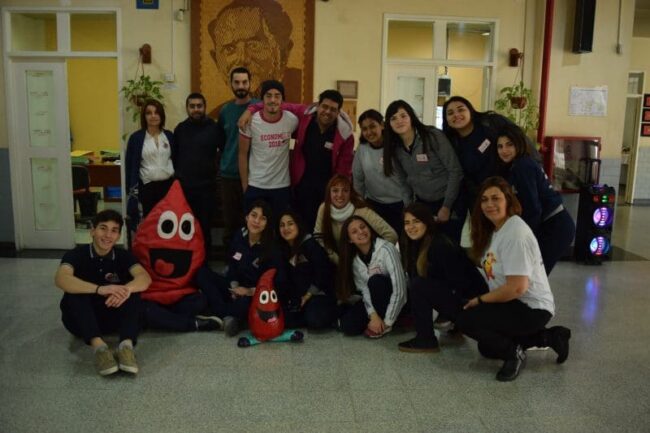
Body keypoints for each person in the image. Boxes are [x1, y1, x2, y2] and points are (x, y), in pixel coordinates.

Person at [455, 177, 571, 382]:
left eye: (496, 198)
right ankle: (549, 337)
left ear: (508, 200)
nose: (489, 204)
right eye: (484, 200)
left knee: (466, 320)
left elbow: (517, 288)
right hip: (513, 302)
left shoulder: (515, 234)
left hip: (531, 308)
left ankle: (513, 354)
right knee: (487, 347)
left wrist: (480, 300)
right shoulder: (498, 229)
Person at [55, 210, 151, 376]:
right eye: (103, 228)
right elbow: (61, 279)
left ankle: (126, 347)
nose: (108, 235)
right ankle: (100, 348)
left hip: (113, 320)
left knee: (133, 291)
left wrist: (125, 290)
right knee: (75, 292)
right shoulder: (75, 255)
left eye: (114, 230)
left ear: (118, 236)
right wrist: (99, 289)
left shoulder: (124, 256)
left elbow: (145, 278)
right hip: (80, 322)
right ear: (92, 231)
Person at [241, 90, 355, 230]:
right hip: (300, 185)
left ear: (338, 112)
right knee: (298, 226)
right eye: (324, 106)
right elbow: (277, 104)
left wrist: (339, 195)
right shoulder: (304, 114)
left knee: (321, 228)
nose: (327, 112)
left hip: (326, 190)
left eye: (333, 109)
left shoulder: (345, 134)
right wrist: (250, 110)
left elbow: (343, 171)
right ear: (318, 106)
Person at [397, 203, 487, 353]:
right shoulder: (415, 244)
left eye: (416, 221)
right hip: (464, 302)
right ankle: (452, 325)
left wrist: (455, 317)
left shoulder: (440, 245)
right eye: (407, 223)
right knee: (419, 284)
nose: (411, 227)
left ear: (427, 222)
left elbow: (462, 283)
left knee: (419, 285)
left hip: (474, 307)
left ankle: (425, 340)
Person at [196, 200, 286, 336]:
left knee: (243, 304)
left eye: (263, 218)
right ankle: (228, 316)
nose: (257, 221)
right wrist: (234, 286)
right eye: (253, 215)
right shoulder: (239, 236)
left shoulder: (272, 248)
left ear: (267, 223)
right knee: (201, 273)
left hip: (255, 294)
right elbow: (232, 265)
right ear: (246, 217)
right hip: (235, 287)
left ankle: (221, 314)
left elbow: (276, 284)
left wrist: (249, 291)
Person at [442, 95, 541, 219]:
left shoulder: (491, 123)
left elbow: (520, 139)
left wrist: (535, 167)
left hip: (514, 189)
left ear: (470, 111)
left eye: (461, 109)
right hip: (486, 199)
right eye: (450, 113)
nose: (456, 115)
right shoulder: (451, 143)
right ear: (446, 119)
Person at [495, 124, 575, 274]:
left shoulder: (522, 166)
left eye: (509, 145)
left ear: (519, 144)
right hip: (552, 223)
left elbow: (532, 208)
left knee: (535, 275)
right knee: (531, 274)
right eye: (500, 146)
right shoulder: (516, 165)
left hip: (555, 226)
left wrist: (524, 238)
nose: (504, 150)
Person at [383, 100, 464, 244]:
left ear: (411, 117)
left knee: (449, 246)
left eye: (403, 116)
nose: (399, 121)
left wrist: (447, 206)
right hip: (423, 204)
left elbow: (455, 171)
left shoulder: (432, 136)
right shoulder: (395, 148)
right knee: (426, 247)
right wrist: (409, 209)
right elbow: (403, 182)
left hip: (449, 201)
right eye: (393, 118)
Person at [207, 0, 303, 110]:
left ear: (283, 54)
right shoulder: (222, 113)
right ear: (216, 61)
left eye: (253, 45)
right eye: (230, 49)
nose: (242, 58)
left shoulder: (299, 101)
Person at [336, 216, 407, 337]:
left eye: (363, 227)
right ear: (350, 240)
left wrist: (387, 322)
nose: (361, 232)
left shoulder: (387, 249)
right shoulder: (355, 260)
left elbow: (400, 290)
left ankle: (393, 320)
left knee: (375, 281)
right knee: (348, 326)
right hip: (376, 302)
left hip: (400, 300)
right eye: (354, 232)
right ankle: (376, 320)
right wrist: (373, 316)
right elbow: (365, 290)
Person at [238, 80, 298, 218]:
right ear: (262, 99)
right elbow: (242, 154)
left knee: (279, 227)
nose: (272, 100)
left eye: (277, 96)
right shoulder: (250, 121)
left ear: (282, 99)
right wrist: (245, 186)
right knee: (255, 227)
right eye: (268, 95)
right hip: (256, 185)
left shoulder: (292, 120)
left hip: (282, 186)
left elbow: (294, 143)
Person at [173, 92, 222, 255]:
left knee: (205, 228)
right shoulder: (180, 129)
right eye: (192, 106)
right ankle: (188, 262)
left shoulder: (214, 128)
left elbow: (223, 151)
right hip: (185, 189)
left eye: (199, 106)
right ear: (187, 108)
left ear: (204, 107)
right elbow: (175, 157)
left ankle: (204, 262)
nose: (196, 109)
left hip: (207, 189)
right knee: (186, 227)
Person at [217, 67, 260, 247]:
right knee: (230, 224)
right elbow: (222, 142)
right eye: (237, 82)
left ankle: (250, 260)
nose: (241, 86)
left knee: (253, 224)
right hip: (228, 175)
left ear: (250, 83)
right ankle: (231, 260)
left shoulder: (259, 107)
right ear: (231, 84)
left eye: (244, 82)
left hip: (255, 176)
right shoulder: (225, 111)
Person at [314, 174, 397, 265]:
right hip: (335, 262)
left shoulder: (362, 211)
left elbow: (391, 235)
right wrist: (337, 260)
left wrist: (374, 259)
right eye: (335, 190)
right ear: (329, 192)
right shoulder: (324, 208)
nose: (340, 195)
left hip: (363, 264)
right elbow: (319, 238)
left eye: (345, 190)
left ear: (350, 193)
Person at [353, 109, 411, 234]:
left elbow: (406, 179)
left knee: (399, 239)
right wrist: (360, 204)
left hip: (399, 205)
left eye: (372, 126)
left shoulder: (396, 146)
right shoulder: (362, 149)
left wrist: (408, 206)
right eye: (364, 129)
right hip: (373, 204)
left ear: (382, 125)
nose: (369, 132)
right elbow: (358, 180)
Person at [277, 210, 337, 329]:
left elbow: (323, 273)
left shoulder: (311, 245)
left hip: (318, 294)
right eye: (282, 225)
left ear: (298, 225)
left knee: (315, 321)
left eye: (290, 224)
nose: (286, 228)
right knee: (284, 320)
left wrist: (308, 295)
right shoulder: (283, 249)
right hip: (300, 297)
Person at [125, 99, 175, 229]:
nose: (153, 116)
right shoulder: (136, 138)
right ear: (144, 116)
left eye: (156, 112)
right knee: (150, 225)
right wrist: (130, 189)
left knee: (167, 224)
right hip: (147, 188)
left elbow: (176, 160)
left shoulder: (169, 136)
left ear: (161, 115)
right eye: (149, 113)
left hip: (168, 187)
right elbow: (130, 166)